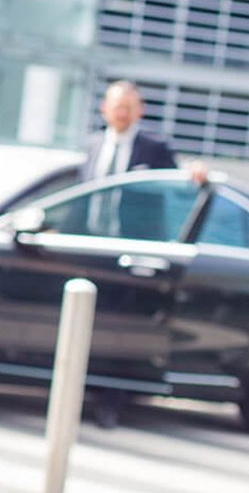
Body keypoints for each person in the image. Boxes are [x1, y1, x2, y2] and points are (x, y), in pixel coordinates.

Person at [80, 79, 206, 429]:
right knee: (86, 326)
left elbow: (179, 180)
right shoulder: (92, 145)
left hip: (131, 254)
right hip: (91, 251)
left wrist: (193, 171)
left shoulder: (153, 148)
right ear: (104, 109)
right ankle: (82, 394)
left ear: (139, 111)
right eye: (115, 105)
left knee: (119, 331)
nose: (121, 113)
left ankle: (111, 402)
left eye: (128, 107)